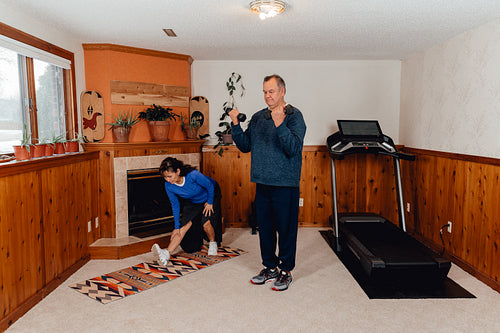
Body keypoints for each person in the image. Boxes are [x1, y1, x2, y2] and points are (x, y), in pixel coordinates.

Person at [229, 74, 306, 291]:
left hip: (285, 184)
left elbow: (293, 148)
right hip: (262, 182)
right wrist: (235, 123)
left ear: (282, 91)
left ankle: (286, 271)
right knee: (265, 229)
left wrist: (280, 123)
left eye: (271, 91)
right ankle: (270, 267)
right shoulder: (258, 117)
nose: (267, 96)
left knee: (286, 229)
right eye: (264, 91)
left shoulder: (294, 116)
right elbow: (245, 146)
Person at [151, 157, 222, 266]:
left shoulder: (193, 175)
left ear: (178, 171)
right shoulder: (168, 185)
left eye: (170, 176)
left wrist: (210, 202)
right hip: (193, 200)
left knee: (206, 223)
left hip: (210, 195)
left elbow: (210, 185)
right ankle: (166, 254)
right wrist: (176, 227)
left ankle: (213, 242)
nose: (168, 180)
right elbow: (175, 205)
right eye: (165, 177)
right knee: (183, 229)